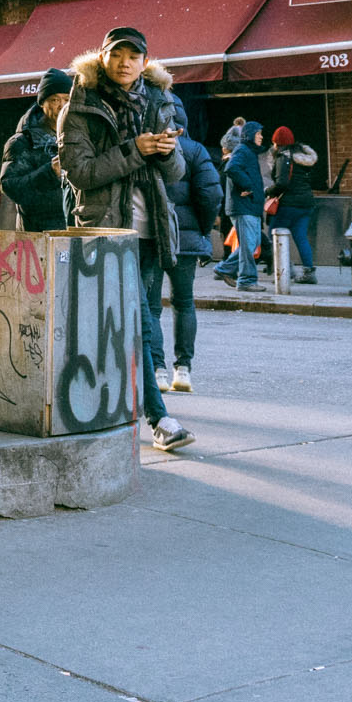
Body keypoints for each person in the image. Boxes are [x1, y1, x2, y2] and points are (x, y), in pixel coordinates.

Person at [58, 26, 194, 453]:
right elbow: (81, 173)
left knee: (139, 319)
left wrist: (168, 152)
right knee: (138, 320)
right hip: (106, 231)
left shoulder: (159, 100)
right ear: (102, 57)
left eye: (133, 56)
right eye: (117, 54)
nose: (124, 63)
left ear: (144, 62)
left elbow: (177, 175)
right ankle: (159, 419)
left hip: (152, 229)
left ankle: (108, 405)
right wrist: (135, 149)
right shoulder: (80, 107)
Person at [159, 92, 222, 394]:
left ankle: (156, 368)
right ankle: (182, 369)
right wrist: (203, 229)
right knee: (183, 302)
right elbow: (212, 194)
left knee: (149, 305)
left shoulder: (151, 145)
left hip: (153, 236)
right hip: (185, 240)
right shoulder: (195, 150)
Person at [1, 68, 73, 232]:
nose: (62, 106)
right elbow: (11, 188)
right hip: (37, 235)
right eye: (55, 100)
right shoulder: (21, 142)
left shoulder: (75, 136)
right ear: (42, 103)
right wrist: (49, 172)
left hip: (71, 231)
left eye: (67, 100)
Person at [214, 121, 266, 291]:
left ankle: (225, 268)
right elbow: (232, 168)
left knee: (251, 243)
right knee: (249, 244)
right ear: (250, 135)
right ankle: (246, 280)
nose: (261, 137)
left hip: (248, 206)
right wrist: (248, 186)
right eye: (258, 134)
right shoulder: (243, 150)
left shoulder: (247, 151)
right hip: (244, 206)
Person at [268, 127, 321, 284]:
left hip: (288, 204)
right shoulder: (305, 159)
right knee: (301, 237)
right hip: (306, 203)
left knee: (274, 236)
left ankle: (284, 271)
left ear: (278, 143)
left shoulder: (283, 158)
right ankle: (309, 272)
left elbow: (282, 183)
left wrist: (267, 191)